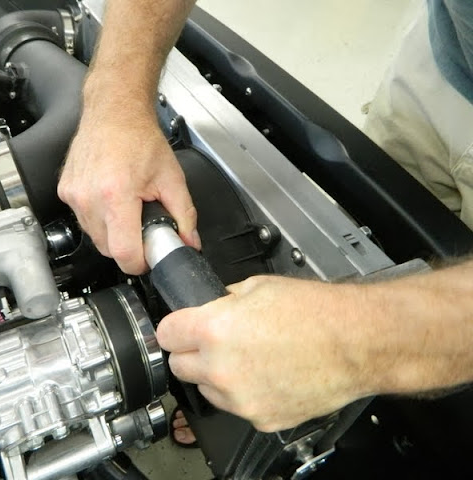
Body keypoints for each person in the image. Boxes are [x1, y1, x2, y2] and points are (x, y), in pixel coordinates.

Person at [58, 0, 473, 446]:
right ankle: (252, 370)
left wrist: (355, 343)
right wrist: (116, 105)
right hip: (447, 61)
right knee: (380, 228)